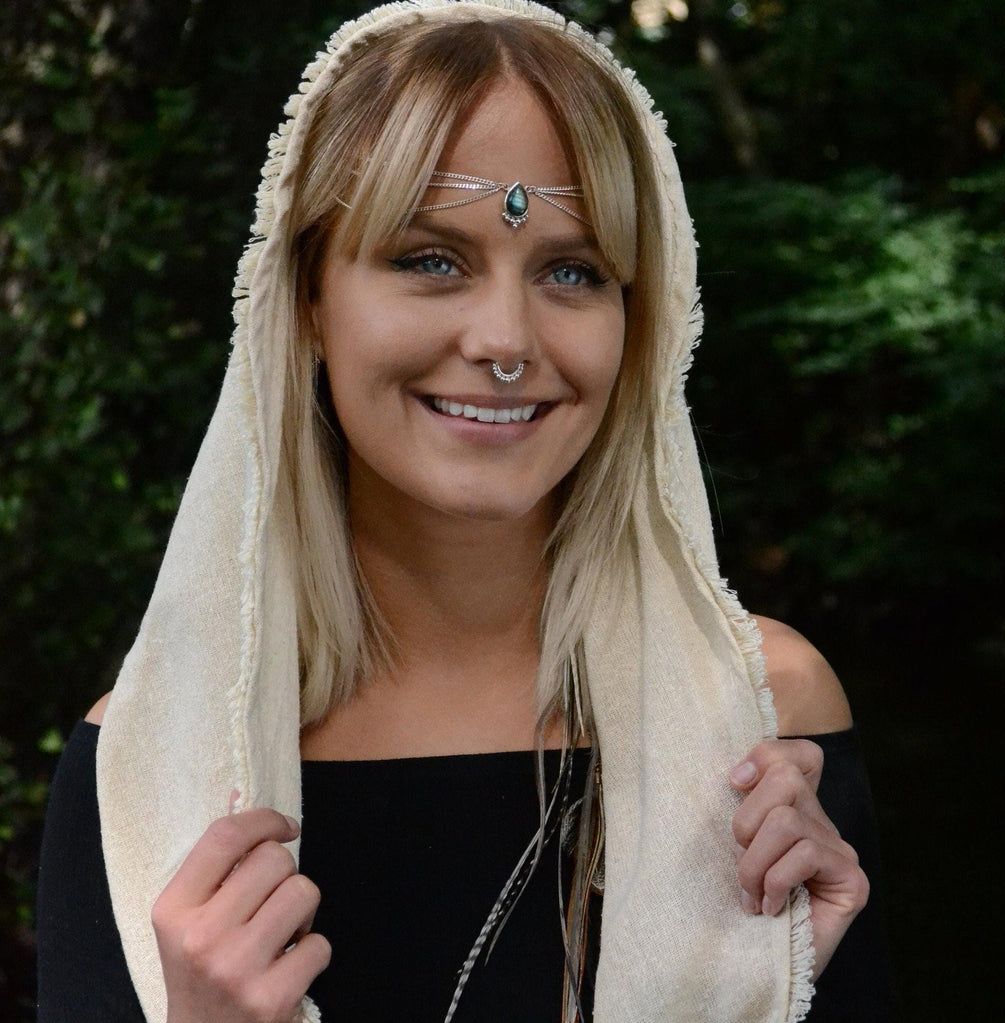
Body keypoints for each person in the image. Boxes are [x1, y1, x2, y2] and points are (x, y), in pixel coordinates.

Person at [36, 2, 896, 1021]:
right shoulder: (145, 774)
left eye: (570, 271)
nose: (504, 339)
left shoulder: (761, 723)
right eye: (430, 260)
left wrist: (772, 993)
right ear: (306, 296)